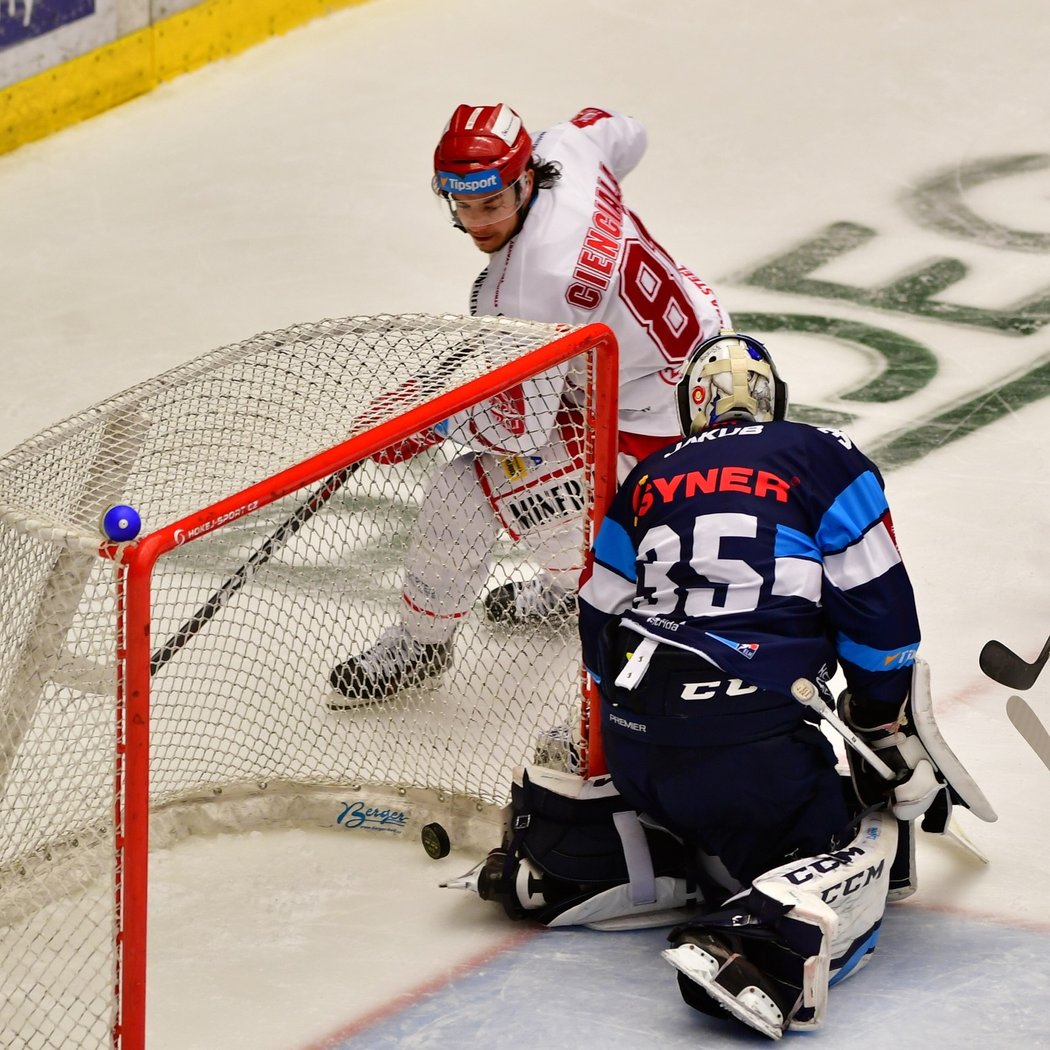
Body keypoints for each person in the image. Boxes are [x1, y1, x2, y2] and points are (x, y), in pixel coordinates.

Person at [574, 331, 948, 1037]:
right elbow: (880, 614)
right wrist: (879, 721)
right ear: (775, 401)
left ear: (692, 410)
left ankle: (585, 856)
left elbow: (597, 622)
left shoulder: (646, 480)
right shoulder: (820, 454)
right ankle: (756, 940)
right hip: (750, 750)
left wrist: (639, 723)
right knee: (860, 837)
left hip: (637, 745)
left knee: (712, 805)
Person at [329, 103, 731, 704]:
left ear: (524, 179)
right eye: (462, 206)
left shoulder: (525, 289)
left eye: (491, 204)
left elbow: (518, 430)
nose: (476, 223)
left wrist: (426, 419)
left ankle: (429, 640)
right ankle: (574, 578)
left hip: (654, 440)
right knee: (547, 392)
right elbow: (626, 131)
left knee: (464, 485)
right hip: (713, 368)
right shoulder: (566, 148)